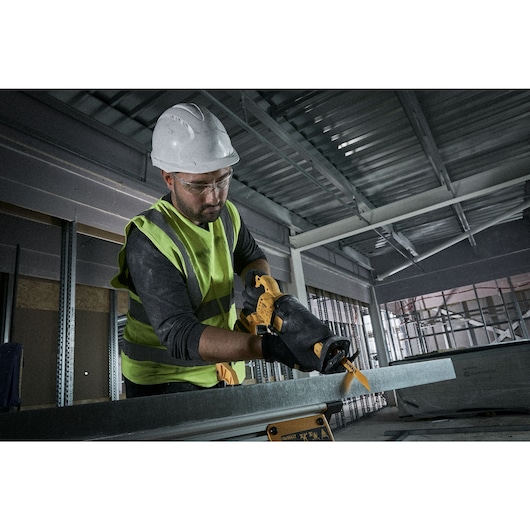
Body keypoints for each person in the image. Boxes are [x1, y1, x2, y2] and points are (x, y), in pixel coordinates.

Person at [111, 103, 316, 398]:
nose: (214, 197)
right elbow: (180, 334)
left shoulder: (228, 215)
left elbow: (251, 257)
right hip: (164, 380)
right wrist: (271, 348)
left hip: (222, 369)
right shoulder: (149, 239)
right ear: (169, 179)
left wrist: (263, 292)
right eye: (199, 186)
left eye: (222, 179)